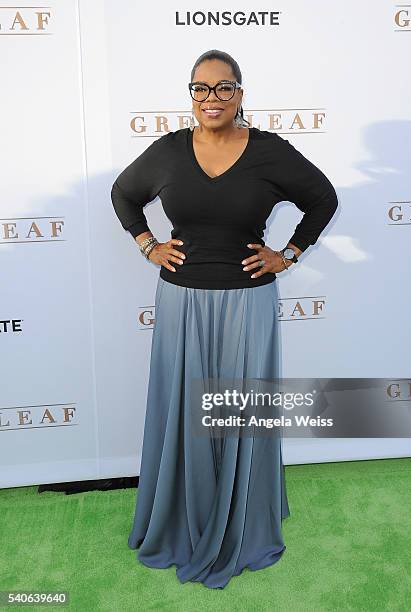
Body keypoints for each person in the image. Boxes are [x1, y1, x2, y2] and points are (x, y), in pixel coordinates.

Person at [110, 49, 338, 589]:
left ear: (241, 93)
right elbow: (123, 194)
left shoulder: (269, 153)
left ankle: (242, 516)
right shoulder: (167, 152)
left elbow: (323, 199)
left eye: (223, 88)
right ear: (190, 95)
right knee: (185, 411)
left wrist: (290, 253)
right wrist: (147, 244)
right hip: (181, 302)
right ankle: (182, 514)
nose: (211, 98)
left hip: (247, 301)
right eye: (200, 89)